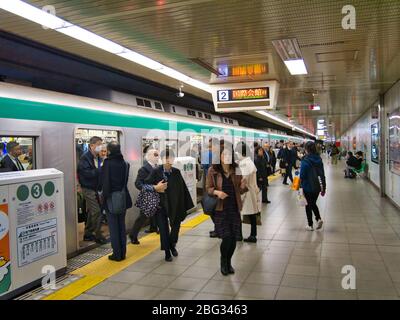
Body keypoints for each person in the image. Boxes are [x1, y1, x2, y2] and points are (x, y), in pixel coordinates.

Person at [145, 148, 194, 262]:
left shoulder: (176, 172)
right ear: (162, 159)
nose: (168, 160)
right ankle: (167, 251)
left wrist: (185, 205)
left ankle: (172, 244)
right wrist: (155, 187)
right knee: (163, 229)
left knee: (176, 226)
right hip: (161, 205)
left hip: (175, 204)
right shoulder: (156, 171)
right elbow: (146, 184)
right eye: (166, 158)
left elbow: (182, 189)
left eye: (170, 158)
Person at [207, 143, 248, 276]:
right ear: (219, 156)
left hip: (234, 207)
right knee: (226, 237)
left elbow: (240, 191)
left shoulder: (236, 169)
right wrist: (217, 193)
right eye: (224, 154)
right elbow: (208, 189)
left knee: (234, 239)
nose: (227, 157)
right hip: (221, 209)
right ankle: (223, 262)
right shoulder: (212, 171)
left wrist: (243, 186)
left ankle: (229, 261)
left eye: (229, 154)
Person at [99, 141, 132, 261]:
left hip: (111, 199)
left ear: (109, 151)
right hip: (122, 198)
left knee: (113, 227)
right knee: (121, 226)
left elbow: (105, 183)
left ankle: (117, 254)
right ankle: (123, 252)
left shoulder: (107, 164)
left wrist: (104, 199)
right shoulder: (125, 163)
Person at [129, 148, 164, 244]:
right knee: (143, 217)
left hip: (159, 196)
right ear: (149, 156)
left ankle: (156, 228)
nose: (157, 157)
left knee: (159, 214)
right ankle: (133, 234)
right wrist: (153, 187)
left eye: (158, 155)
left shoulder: (159, 167)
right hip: (148, 197)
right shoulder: (143, 169)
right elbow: (138, 184)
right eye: (155, 155)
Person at [77, 136, 107, 244]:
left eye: (101, 144)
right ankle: (97, 235)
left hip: (96, 188)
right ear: (92, 145)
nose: (100, 147)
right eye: (98, 144)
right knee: (97, 211)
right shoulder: (85, 158)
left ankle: (88, 233)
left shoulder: (98, 158)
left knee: (91, 212)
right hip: (87, 188)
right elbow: (86, 174)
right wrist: (100, 170)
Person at [236, 142, 260, 243]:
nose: (236, 154)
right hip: (252, 192)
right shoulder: (249, 162)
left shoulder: (244, 164)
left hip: (246, 193)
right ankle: (253, 235)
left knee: (241, 214)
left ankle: (240, 235)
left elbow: (242, 180)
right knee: (252, 215)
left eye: (237, 152)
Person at [300, 141, 326, 231]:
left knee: (308, 205)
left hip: (307, 186)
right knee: (313, 203)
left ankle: (310, 225)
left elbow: (302, 175)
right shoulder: (319, 159)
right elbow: (322, 174)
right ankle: (318, 219)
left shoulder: (305, 160)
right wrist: (324, 188)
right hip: (317, 186)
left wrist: (299, 185)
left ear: (306, 149)